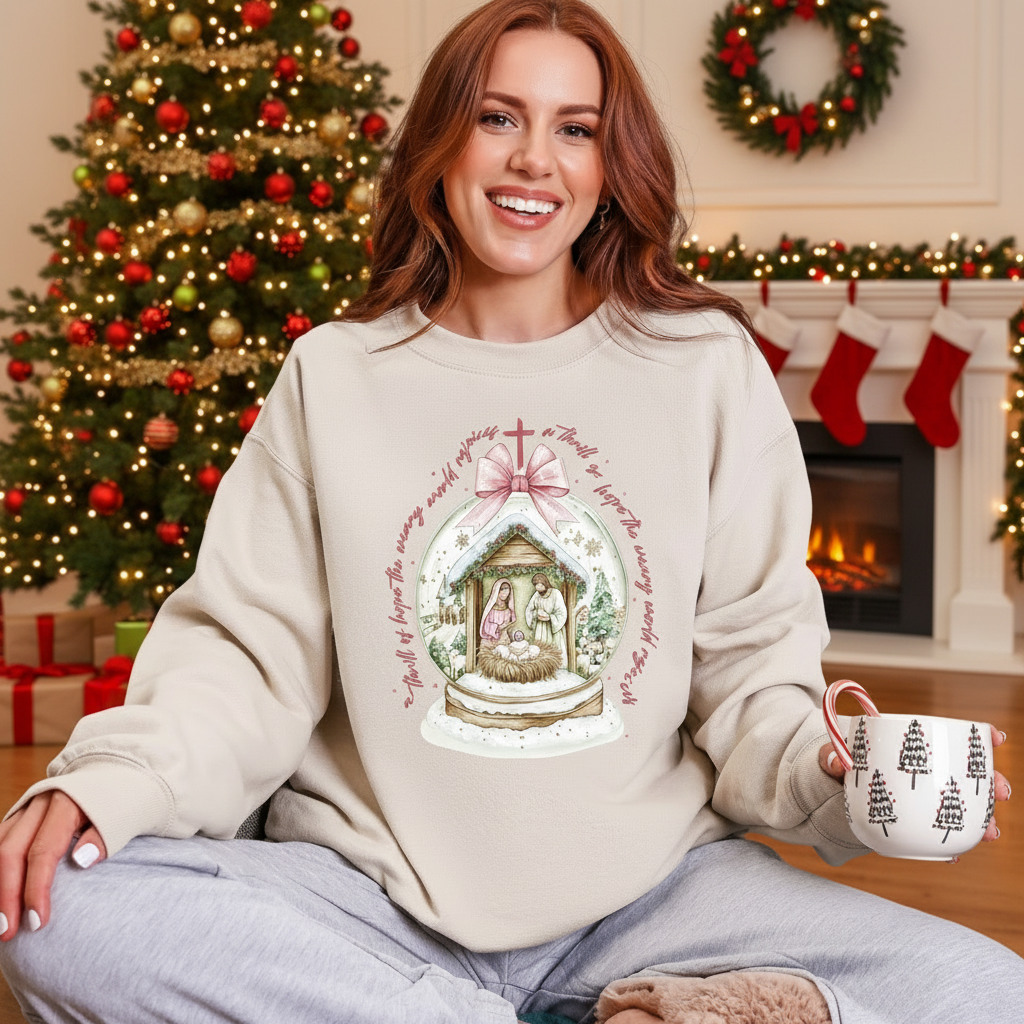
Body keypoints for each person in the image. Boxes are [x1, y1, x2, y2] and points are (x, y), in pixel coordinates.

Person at [1, 1, 1021, 1022]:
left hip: (655, 899)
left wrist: (838, 776)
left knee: (987, 988)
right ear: (440, 143)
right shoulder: (335, 376)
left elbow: (751, 675)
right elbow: (245, 659)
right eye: (498, 118)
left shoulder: (705, 368)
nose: (536, 159)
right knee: (63, 909)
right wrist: (112, 779)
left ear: (608, 165)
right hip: (368, 903)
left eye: (574, 129)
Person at [525, 573, 568, 664]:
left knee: (554, 648)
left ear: (546, 583)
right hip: (540, 628)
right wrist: (536, 614)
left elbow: (562, 612)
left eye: (540, 585)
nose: (538, 587)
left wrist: (550, 617)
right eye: (536, 585)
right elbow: (529, 609)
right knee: (541, 647)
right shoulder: (536, 595)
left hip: (552, 627)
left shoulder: (555, 593)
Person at [480, 578, 518, 644]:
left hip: (503, 639)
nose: (505, 592)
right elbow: (486, 625)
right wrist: (496, 627)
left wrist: (504, 626)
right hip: (490, 639)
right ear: (496, 591)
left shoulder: (508, 611)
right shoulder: (490, 610)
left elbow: (508, 624)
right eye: (502, 589)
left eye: (507, 589)